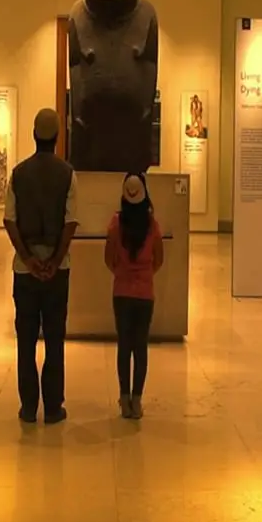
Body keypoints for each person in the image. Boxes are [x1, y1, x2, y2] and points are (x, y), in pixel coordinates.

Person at [3, 108, 78, 424]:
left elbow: (9, 220)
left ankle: (28, 406)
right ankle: (53, 406)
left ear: (34, 135)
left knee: (26, 339)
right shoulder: (67, 173)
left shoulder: (19, 174)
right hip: (58, 272)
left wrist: (30, 260)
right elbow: (70, 222)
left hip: (25, 270)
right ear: (58, 137)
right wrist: (54, 261)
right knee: (55, 338)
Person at [104, 173, 164, 419]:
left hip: (121, 292)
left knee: (124, 345)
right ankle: (137, 400)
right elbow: (159, 259)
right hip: (145, 294)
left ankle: (124, 397)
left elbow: (108, 259)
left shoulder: (115, 224)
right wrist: (145, 274)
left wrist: (122, 273)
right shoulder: (153, 225)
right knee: (140, 347)